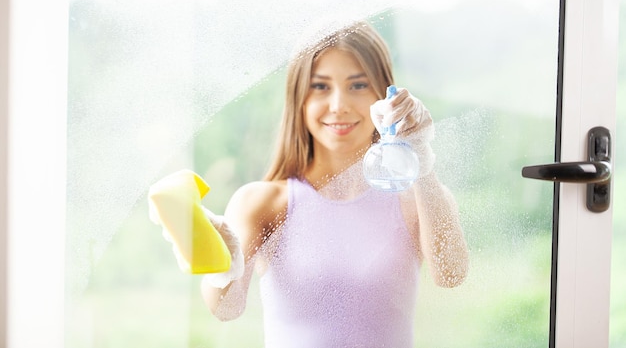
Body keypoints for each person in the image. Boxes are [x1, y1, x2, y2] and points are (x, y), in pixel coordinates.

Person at [149, 20, 469, 348]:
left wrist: (420, 156)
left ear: (383, 98)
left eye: (358, 85)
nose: (338, 105)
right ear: (298, 98)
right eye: (320, 87)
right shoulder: (264, 203)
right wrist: (220, 258)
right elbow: (226, 308)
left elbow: (451, 273)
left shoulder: (413, 201)